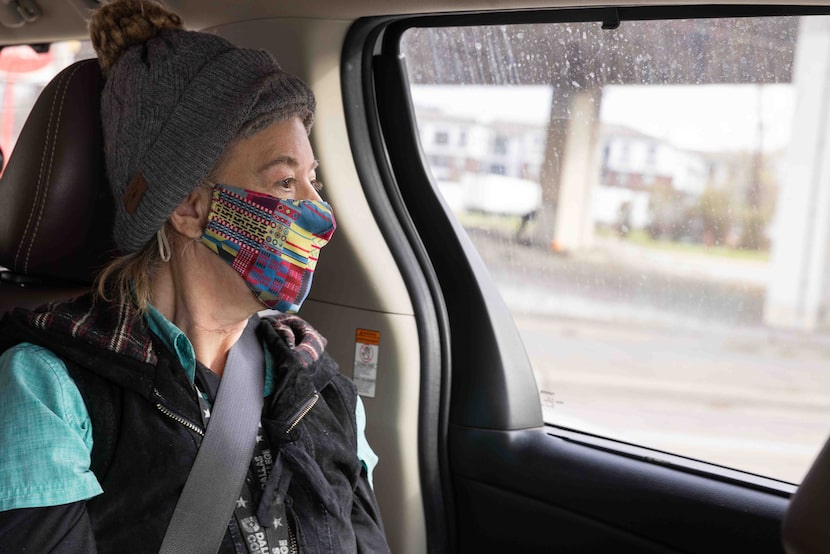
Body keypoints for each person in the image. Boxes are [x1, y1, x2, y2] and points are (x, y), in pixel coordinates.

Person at [0, 1, 390, 552]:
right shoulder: (49, 391)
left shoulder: (324, 391)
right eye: (284, 184)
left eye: (313, 180)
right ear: (189, 208)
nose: (319, 212)